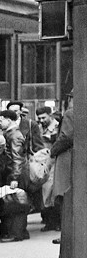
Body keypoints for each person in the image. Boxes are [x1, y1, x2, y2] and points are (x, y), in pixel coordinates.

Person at [0, 110, 29, 242]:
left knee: (16, 203)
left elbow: (17, 158)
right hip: (14, 172)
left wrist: (15, 177)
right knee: (16, 202)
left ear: (9, 120)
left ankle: (16, 233)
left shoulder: (14, 135)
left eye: (1, 120)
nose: (0, 122)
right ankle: (20, 232)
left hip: (15, 173)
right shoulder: (12, 133)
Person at [50, 91, 74, 247]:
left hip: (68, 159)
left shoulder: (71, 113)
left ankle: (67, 234)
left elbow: (66, 136)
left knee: (65, 197)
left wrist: (52, 151)